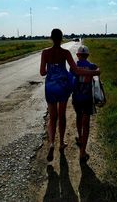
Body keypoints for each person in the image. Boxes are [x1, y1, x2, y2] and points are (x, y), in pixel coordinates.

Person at [40, 29, 100, 162]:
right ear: (61, 39)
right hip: (62, 86)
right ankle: (61, 143)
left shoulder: (45, 52)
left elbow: (42, 73)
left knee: (52, 117)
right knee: (61, 116)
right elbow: (76, 70)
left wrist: (51, 69)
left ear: (51, 38)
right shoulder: (65, 53)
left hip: (50, 86)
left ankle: (51, 144)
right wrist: (94, 73)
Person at [72, 45, 98, 162]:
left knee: (78, 117)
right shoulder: (92, 66)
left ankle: (79, 136)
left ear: (77, 55)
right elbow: (98, 71)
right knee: (86, 124)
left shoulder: (74, 66)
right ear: (88, 55)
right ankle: (82, 152)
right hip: (87, 99)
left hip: (77, 98)